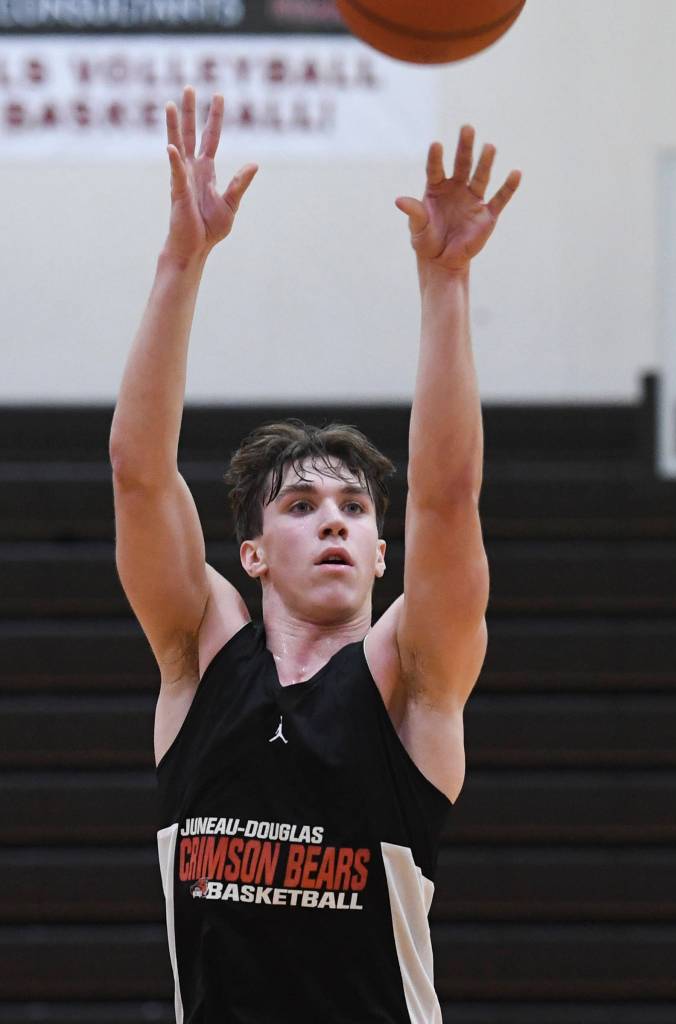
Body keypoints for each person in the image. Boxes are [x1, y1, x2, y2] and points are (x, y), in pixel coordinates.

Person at [109, 85, 520, 1023]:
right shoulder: (200, 657)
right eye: (301, 505)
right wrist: (182, 256)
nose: (333, 520)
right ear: (250, 554)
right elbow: (139, 472)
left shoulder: (411, 681)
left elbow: (449, 499)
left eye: (353, 507)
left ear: (383, 551)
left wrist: (445, 283)